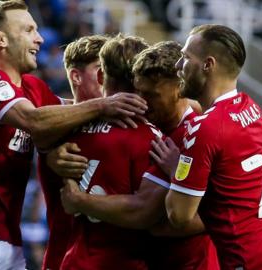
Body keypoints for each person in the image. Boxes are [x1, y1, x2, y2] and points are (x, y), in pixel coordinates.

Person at [0, 1, 147, 269]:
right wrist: (103, 105)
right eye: (29, 30)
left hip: (6, 235)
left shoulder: (31, 87)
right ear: (1, 38)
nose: (39, 38)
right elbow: (35, 121)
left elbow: (69, 113)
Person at [155, 24, 262, 269]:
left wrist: (178, 170)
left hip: (255, 262)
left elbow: (179, 215)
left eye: (185, 58)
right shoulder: (250, 108)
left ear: (208, 64)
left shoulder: (204, 129)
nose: (178, 66)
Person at [59, 41, 219, 270]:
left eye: (151, 95)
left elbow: (152, 217)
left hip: (192, 263)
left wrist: (180, 172)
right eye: (138, 91)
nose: (141, 101)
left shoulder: (196, 136)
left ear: (179, 89)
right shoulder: (146, 128)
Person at [57, 34, 156, 270]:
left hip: (74, 260)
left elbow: (38, 127)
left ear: (102, 76)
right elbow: (150, 214)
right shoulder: (153, 138)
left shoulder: (66, 129)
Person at [37, 34, 108, 270]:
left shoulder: (122, 117)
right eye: (99, 69)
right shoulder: (56, 123)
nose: (106, 78)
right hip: (64, 255)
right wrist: (51, 154)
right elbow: (36, 126)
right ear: (76, 76)